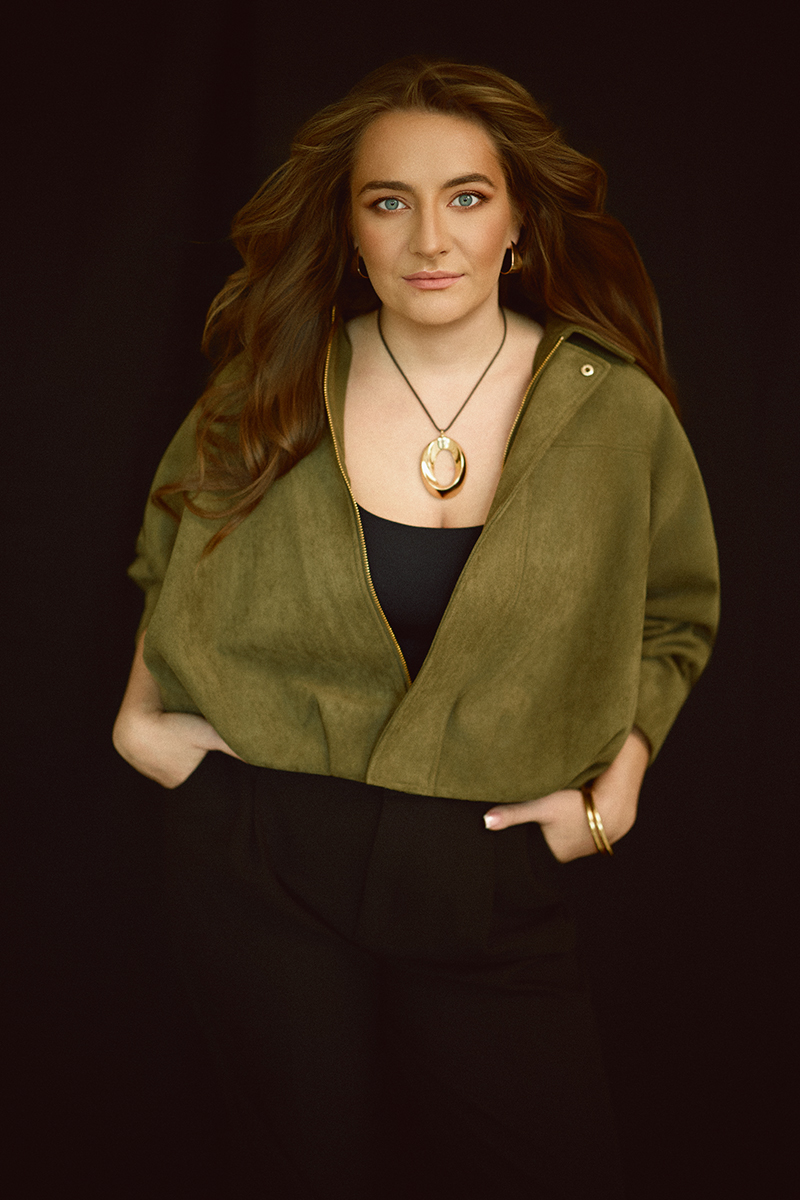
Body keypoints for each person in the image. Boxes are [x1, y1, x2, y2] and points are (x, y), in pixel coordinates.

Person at [113, 58, 719, 1199]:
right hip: (266, 852)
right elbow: (167, 554)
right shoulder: (270, 386)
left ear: (517, 222)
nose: (429, 238)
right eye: (388, 201)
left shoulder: (613, 409)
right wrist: (139, 723)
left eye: (466, 197)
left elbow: (675, 611)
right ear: (351, 232)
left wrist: (618, 786)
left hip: (488, 868)